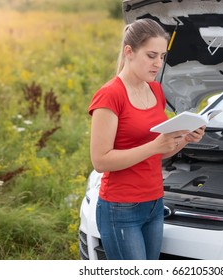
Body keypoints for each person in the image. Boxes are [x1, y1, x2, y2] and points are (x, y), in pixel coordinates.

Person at [88, 18, 205, 260]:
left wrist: (184, 139)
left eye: (162, 56)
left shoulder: (155, 90)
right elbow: (101, 160)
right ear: (129, 52)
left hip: (154, 204)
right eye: (151, 55)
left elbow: (159, 152)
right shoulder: (110, 95)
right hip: (120, 208)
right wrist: (153, 146)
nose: (158, 64)